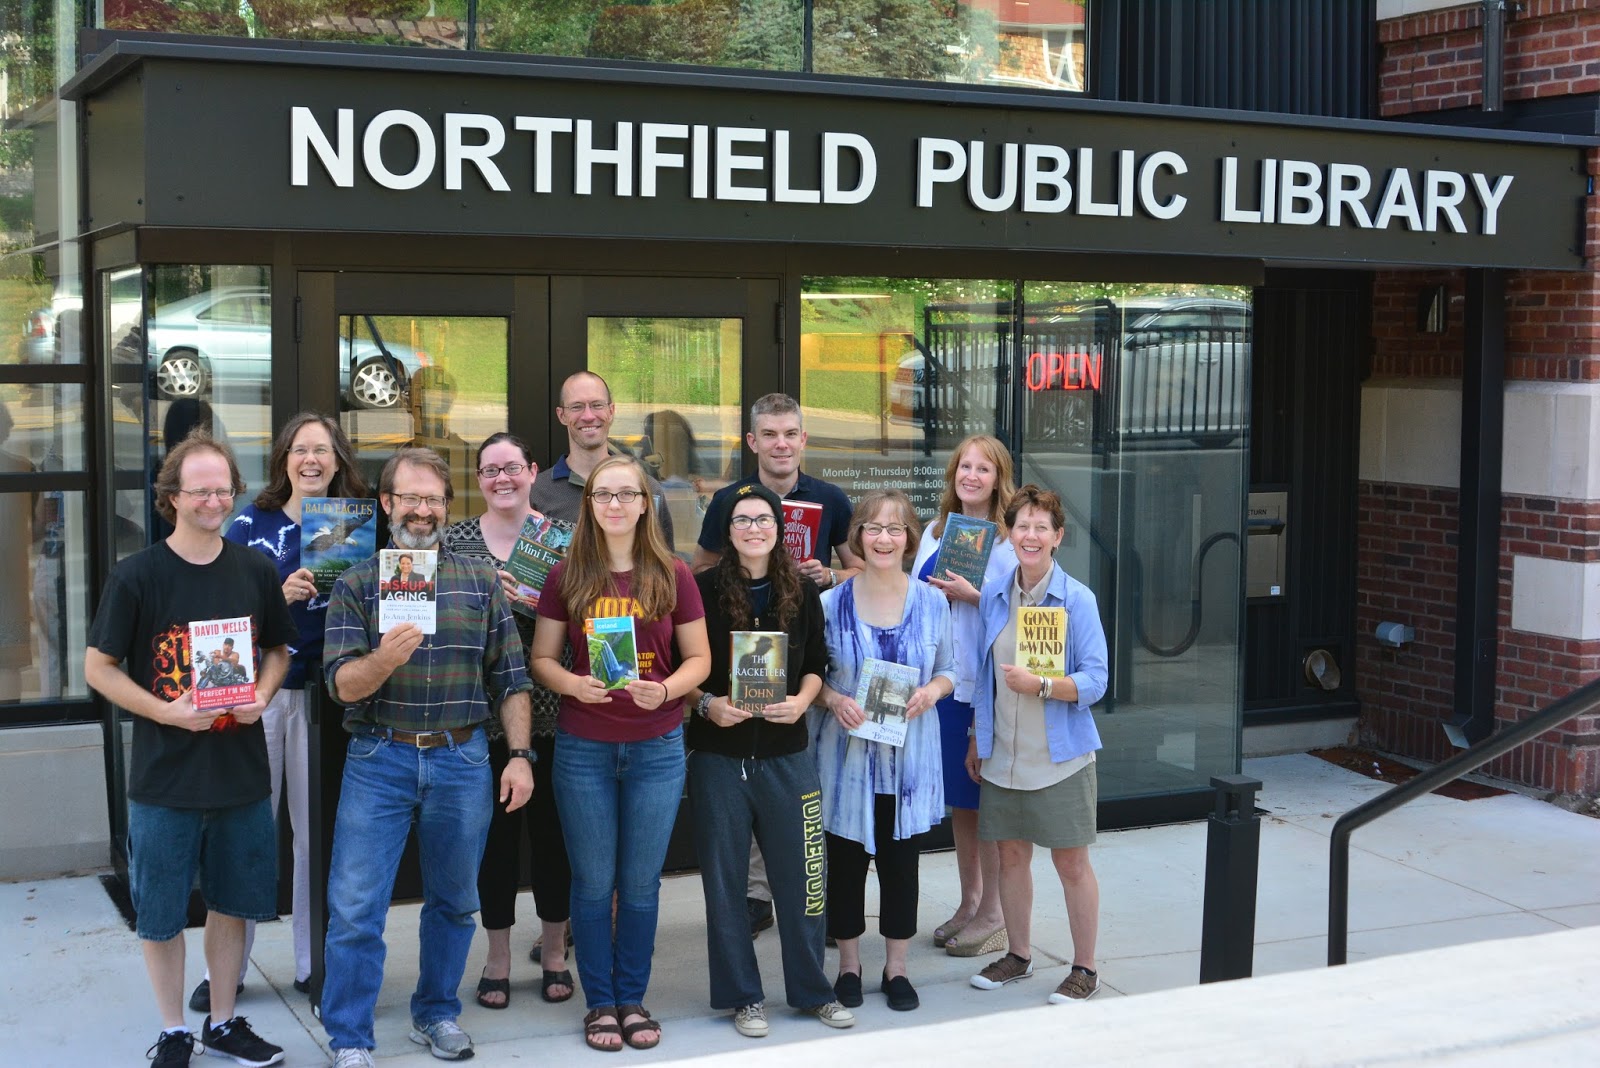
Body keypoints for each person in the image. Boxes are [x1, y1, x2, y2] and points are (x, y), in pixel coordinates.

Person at [83, 431, 296, 1068]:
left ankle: (224, 1022)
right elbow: (99, 667)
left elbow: (280, 651)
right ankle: (175, 1030)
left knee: (232, 904)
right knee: (163, 913)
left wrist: (261, 694)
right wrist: (167, 713)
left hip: (239, 774)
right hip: (165, 779)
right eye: (200, 490)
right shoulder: (137, 576)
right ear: (172, 497)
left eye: (223, 489)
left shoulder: (256, 570)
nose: (214, 500)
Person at [320, 447, 535, 1067]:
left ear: (447, 507)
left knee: (454, 901)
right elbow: (341, 687)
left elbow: (512, 679)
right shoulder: (358, 585)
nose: (422, 510)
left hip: (462, 760)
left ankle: (436, 1014)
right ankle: (350, 1036)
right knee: (357, 907)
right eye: (409, 497)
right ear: (386, 504)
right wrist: (387, 657)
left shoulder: (477, 581)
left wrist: (518, 755)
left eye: (434, 498)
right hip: (379, 758)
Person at [187, 412, 369, 1015]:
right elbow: (217, 608)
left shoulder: (355, 526)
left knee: (314, 836)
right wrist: (275, 598)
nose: (311, 460)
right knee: (248, 828)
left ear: (339, 460)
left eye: (322, 450)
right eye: (300, 450)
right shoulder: (249, 522)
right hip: (258, 697)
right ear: (283, 460)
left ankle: (314, 964)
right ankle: (228, 972)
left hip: (327, 698)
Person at [530, 455, 709, 1052]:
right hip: (584, 748)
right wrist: (572, 685)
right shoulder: (567, 575)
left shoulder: (673, 574)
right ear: (589, 504)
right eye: (603, 494)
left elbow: (700, 661)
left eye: (625, 494)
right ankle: (599, 1002)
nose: (614, 504)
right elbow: (542, 660)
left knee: (638, 885)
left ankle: (632, 997)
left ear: (644, 503)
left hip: (657, 747)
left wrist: (668, 689)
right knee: (591, 882)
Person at [685, 482, 856, 1038]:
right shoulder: (701, 588)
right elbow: (680, 667)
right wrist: (709, 705)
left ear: (778, 529)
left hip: (787, 752)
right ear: (726, 531)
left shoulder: (799, 591)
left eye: (763, 519)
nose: (753, 528)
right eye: (741, 520)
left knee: (805, 877)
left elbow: (816, 660)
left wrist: (804, 701)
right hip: (721, 755)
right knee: (726, 881)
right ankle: (743, 996)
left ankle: (812, 991)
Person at [692, 392, 864, 935]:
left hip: (808, 664)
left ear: (804, 439)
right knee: (749, 776)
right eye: (769, 434)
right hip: (742, 671)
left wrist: (828, 576)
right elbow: (702, 572)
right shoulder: (730, 500)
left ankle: (806, 895)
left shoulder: (830, 499)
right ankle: (756, 896)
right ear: (752, 442)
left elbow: (862, 570)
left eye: (790, 433)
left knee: (804, 785)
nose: (781, 443)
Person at [440, 432, 574, 1009]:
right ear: (479, 478)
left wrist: (537, 601)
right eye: (491, 470)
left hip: (551, 708)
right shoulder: (454, 541)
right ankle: (496, 956)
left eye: (512, 468)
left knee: (553, 841)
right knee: (491, 844)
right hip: (480, 711)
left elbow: (582, 618)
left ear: (532, 472)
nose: (502, 479)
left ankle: (551, 951)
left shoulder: (559, 539)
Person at [965, 484, 1110, 1005]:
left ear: (1057, 537)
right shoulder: (997, 594)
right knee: (1009, 857)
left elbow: (1097, 681)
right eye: (1021, 526)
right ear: (1011, 534)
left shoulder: (1077, 599)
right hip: (1002, 753)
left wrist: (1044, 685)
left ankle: (1085, 969)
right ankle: (1019, 955)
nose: (1030, 535)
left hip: (1060, 759)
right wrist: (976, 738)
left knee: (1071, 864)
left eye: (1040, 527)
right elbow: (983, 676)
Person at [812, 489, 955, 1013]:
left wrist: (930, 693)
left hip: (909, 762)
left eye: (895, 530)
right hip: (845, 760)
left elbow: (950, 670)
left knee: (901, 867)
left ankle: (897, 967)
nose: (884, 538)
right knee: (845, 866)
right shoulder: (829, 605)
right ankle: (849, 964)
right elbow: (812, 678)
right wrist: (833, 699)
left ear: (909, 539)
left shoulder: (932, 601)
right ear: (858, 538)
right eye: (874, 528)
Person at [910, 434, 1018, 958]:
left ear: (999, 478)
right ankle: (970, 900)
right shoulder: (935, 533)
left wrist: (974, 596)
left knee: (987, 800)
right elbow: (912, 597)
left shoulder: (1007, 541)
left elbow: (1022, 617)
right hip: (943, 684)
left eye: (983, 468)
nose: (971, 476)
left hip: (986, 690)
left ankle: (996, 912)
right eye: (964, 467)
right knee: (962, 802)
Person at [530, 370, 675, 549]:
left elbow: (665, 566)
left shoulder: (647, 489)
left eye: (597, 405)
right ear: (561, 415)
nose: (588, 416)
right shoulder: (537, 492)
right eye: (576, 407)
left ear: (611, 410)